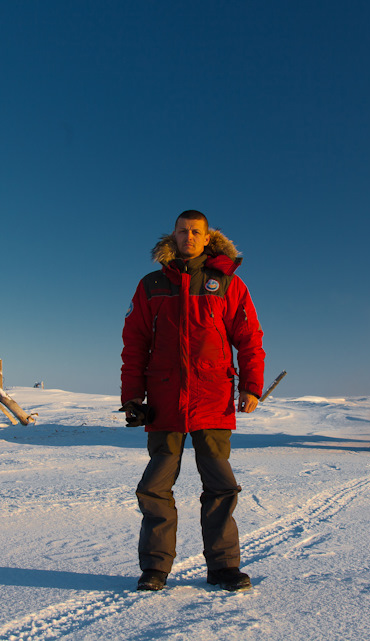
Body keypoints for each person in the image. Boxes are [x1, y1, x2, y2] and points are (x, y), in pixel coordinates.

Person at [120, 210, 265, 592]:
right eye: (183, 231)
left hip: (213, 398)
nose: (189, 236)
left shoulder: (228, 282)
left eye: (196, 231)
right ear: (174, 235)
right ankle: (155, 569)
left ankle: (223, 569)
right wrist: (133, 394)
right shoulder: (151, 284)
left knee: (219, 486)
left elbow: (249, 337)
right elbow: (135, 343)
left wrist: (251, 386)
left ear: (207, 237)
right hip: (165, 400)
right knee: (155, 487)